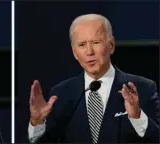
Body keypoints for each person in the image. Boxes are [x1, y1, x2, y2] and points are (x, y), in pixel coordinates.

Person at [28, 14, 159, 143]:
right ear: (75, 52)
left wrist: (137, 117)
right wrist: (37, 123)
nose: (89, 51)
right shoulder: (61, 94)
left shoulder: (143, 88)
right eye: (82, 45)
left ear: (111, 45)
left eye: (96, 42)